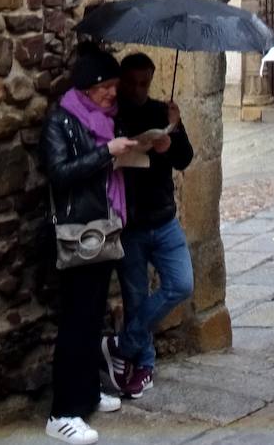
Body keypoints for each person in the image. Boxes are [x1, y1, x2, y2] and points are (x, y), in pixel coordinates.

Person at [40, 47, 136, 444]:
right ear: (88, 86)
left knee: (93, 316)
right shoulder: (61, 121)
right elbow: (59, 174)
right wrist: (105, 154)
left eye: (115, 86)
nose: (113, 94)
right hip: (78, 234)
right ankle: (62, 412)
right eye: (106, 86)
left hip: (102, 228)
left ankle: (86, 394)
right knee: (76, 322)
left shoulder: (104, 121)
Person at [107, 53, 195, 400]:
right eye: (131, 83)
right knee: (134, 297)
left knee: (181, 284)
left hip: (163, 218)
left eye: (144, 82)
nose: (138, 89)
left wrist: (170, 140)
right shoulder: (113, 117)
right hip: (129, 223)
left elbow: (186, 158)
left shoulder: (163, 112)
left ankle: (121, 345)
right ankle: (143, 365)